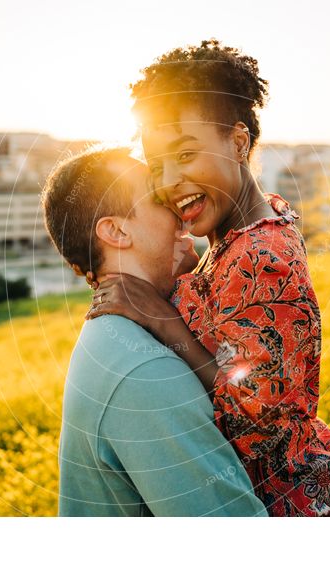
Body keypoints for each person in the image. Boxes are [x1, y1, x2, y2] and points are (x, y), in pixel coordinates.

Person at [86, 40, 330, 517]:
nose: (168, 181)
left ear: (239, 142)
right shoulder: (238, 238)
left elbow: (255, 418)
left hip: (299, 510)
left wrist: (164, 320)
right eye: (157, 165)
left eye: (184, 155)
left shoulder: (262, 256)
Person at [41, 145, 268, 517]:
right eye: (160, 200)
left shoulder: (125, 335)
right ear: (116, 231)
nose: (181, 212)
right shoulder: (143, 372)